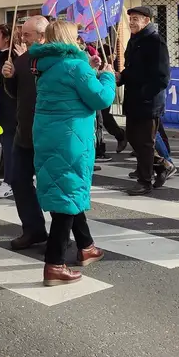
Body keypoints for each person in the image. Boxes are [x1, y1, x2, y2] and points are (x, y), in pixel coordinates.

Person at [32, 21, 115, 285]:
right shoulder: (75, 66)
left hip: (48, 135)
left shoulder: (46, 66)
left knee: (67, 190)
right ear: (70, 38)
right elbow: (101, 98)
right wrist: (107, 76)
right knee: (67, 196)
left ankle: (86, 246)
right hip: (71, 138)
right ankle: (55, 263)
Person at [2, 16, 51, 250]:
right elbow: (15, 93)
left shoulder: (54, 60)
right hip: (24, 134)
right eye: (22, 34)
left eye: (27, 34)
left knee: (54, 185)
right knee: (20, 181)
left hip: (49, 136)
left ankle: (70, 235)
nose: (22, 38)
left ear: (42, 36)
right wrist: (9, 78)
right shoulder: (21, 61)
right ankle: (33, 229)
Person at [119, 6, 172, 196]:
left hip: (149, 101)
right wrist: (120, 78)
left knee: (145, 142)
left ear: (147, 20)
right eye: (131, 18)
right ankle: (162, 165)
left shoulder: (155, 42)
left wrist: (145, 93)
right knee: (133, 137)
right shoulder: (135, 41)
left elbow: (163, 77)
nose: (132, 22)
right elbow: (132, 69)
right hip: (133, 99)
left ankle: (144, 181)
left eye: (136, 18)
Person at [0, 24, 18, 199]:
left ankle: (9, 181)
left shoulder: (14, 55)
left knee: (9, 147)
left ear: (7, 37)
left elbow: (15, 78)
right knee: (7, 146)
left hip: (11, 107)